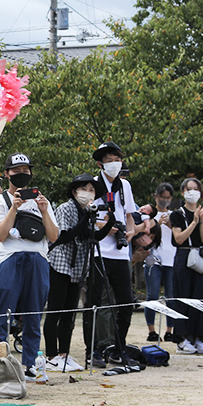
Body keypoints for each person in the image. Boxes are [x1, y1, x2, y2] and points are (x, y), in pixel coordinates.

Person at [0, 153, 59, 381]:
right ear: (6, 173)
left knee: (33, 315)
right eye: (16, 171)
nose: (21, 175)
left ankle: (31, 366)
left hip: (38, 258)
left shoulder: (41, 202)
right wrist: (14, 208)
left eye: (25, 170)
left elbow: (54, 235)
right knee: (2, 313)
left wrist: (45, 211)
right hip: (10, 258)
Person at [45, 174, 111, 373]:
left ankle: (63, 354)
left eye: (92, 190)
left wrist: (109, 222)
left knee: (69, 313)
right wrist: (85, 218)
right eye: (85, 189)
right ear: (75, 192)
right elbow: (65, 235)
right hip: (61, 262)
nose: (88, 193)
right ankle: (51, 355)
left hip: (78, 266)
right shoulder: (65, 208)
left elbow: (93, 236)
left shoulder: (87, 212)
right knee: (55, 310)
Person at [88, 141, 138, 364]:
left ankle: (118, 348)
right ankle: (94, 349)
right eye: (109, 161)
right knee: (96, 301)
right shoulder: (92, 185)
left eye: (117, 160)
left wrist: (131, 231)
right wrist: (105, 227)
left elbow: (129, 214)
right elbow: (88, 216)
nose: (114, 164)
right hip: (99, 249)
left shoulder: (124, 186)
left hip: (120, 252)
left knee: (126, 301)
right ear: (100, 164)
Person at [169, 178, 203, 353]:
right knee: (182, 295)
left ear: (201, 193)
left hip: (200, 257)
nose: (192, 192)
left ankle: (198, 337)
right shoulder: (177, 214)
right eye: (189, 189)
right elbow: (178, 239)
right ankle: (182, 338)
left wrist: (201, 219)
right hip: (183, 256)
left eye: (195, 189)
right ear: (183, 192)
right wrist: (193, 221)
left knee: (201, 296)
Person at [143, 184, 177, 343]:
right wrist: (157, 225)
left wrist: (169, 224)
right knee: (152, 295)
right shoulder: (149, 216)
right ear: (155, 196)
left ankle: (169, 330)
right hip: (153, 259)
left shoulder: (175, 215)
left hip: (172, 259)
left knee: (171, 297)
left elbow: (179, 236)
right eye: (162, 197)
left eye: (168, 198)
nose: (164, 200)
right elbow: (145, 238)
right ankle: (152, 330)